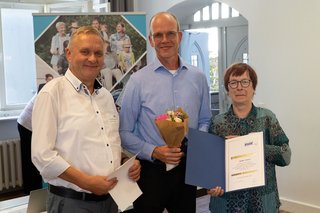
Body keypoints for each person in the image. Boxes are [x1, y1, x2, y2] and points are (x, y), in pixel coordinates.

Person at [32, 26, 141, 213]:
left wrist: (125, 161)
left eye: (98, 53)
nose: (92, 59)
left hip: (112, 200)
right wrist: (86, 182)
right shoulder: (52, 93)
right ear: (68, 53)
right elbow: (42, 156)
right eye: (85, 52)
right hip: (72, 203)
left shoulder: (105, 96)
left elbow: (108, 142)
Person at [119, 12, 211, 213]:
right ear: (151, 40)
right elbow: (124, 132)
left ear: (179, 37)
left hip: (187, 168)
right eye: (158, 35)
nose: (164, 40)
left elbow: (205, 119)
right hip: (151, 171)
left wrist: (197, 142)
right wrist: (154, 151)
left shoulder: (198, 77)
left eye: (170, 34)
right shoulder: (137, 81)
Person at [207, 63, 291, 213]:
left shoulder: (267, 118)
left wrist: (257, 147)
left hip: (263, 202)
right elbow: (210, 164)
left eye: (245, 82)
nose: (239, 87)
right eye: (233, 83)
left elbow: (286, 156)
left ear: (253, 88)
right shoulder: (217, 123)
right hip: (226, 202)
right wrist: (212, 184)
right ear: (227, 89)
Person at [17, 94, 43, 195]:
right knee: (31, 163)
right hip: (27, 126)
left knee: (33, 163)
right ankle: (30, 194)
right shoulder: (54, 87)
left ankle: (33, 193)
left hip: (30, 124)